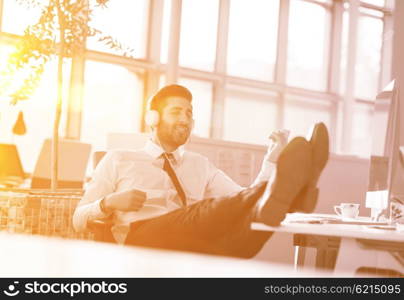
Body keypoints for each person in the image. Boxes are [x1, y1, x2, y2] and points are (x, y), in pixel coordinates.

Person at [73, 84, 329, 258]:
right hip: (142, 240)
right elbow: (77, 219)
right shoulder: (119, 158)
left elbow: (243, 197)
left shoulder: (200, 164)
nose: (184, 119)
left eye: (188, 113)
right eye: (176, 112)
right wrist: (109, 203)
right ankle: (297, 192)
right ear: (152, 119)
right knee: (201, 212)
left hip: (190, 238)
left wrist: (271, 161)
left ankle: (294, 194)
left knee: (249, 231)